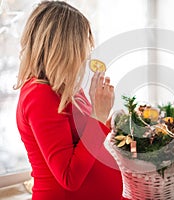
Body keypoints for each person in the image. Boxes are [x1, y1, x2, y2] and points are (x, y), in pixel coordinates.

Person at [14, 1, 127, 199]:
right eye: (83, 46)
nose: (85, 55)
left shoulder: (67, 89)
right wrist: (98, 117)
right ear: (64, 48)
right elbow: (69, 177)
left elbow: (83, 143)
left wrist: (110, 121)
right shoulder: (38, 94)